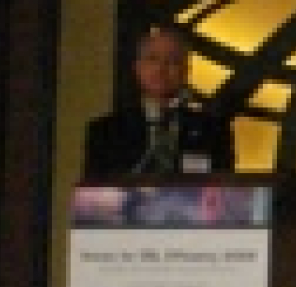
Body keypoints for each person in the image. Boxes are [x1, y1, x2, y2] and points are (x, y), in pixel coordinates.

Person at [83, 27, 234, 176]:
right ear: (137, 68)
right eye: (152, 59)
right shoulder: (106, 132)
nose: (161, 69)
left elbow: (225, 191)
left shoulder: (213, 132)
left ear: (186, 71)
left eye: (172, 61)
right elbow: (94, 193)